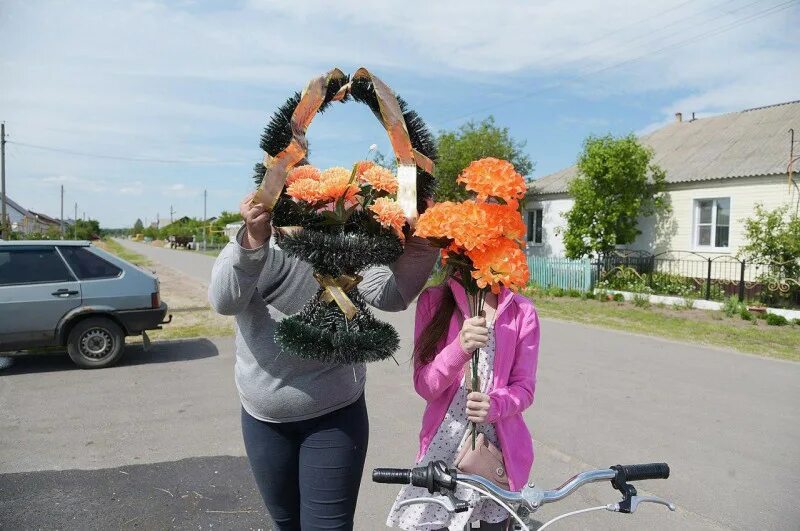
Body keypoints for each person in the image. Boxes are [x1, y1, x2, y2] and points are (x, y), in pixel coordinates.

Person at [208, 192, 438, 531]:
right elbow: (225, 301)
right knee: (286, 523)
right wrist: (254, 240)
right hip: (264, 419)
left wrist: (423, 242)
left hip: (334, 415)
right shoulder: (250, 246)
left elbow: (391, 294)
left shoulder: (342, 244)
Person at [386, 273, 540, 531]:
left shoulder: (522, 311)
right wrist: (459, 348)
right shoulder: (434, 301)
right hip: (442, 450)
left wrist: (495, 405)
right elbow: (425, 385)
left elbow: (524, 388)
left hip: (495, 454)